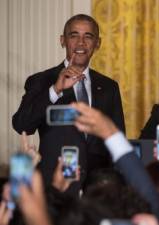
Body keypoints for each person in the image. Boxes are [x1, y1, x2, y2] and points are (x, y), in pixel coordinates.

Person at [12, 14, 125, 193]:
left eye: (88, 36)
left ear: (98, 43)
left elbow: (118, 138)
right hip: (56, 186)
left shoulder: (109, 87)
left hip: (98, 190)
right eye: (74, 35)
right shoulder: (42, 81)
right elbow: (22, 124)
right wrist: (55, 90)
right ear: (63, 41)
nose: (81, 43)